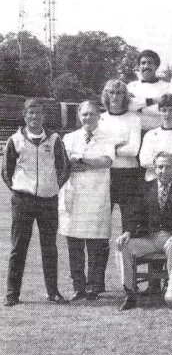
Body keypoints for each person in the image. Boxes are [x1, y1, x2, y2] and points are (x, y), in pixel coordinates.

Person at [2, 98, 70, 306]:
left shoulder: (55, 138)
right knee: (18, 248)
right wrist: (19, 189)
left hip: (48, 201)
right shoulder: (15, 140)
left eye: (38, 113)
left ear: (44, 116)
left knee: (49, 248)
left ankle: (52, 291)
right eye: (30, 113)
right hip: (23, 201)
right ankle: (12, 294)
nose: (34, 117)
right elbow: (6, 172)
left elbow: (64, 168)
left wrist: (52, 187)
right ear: (24, 115)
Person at [114, 152, 172, 311]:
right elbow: (135, 213)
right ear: (155, 168)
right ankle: (130, 293)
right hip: (148, 238)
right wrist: (127, 232)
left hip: (171, 237)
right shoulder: (145, 187)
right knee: (123, 246)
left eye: (168, 167)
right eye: (160, 167)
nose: (163, 171)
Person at [59, 101, 115, 301]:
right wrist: (91, 162)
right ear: (79, 116)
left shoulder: (107, 138)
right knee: (74, 244)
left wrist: (81, 159)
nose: (88, 118)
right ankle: (78, 287)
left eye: (92, 114)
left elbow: (106, 161)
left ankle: (94, 286)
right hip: (74, 196)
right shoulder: (69, 138)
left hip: (97, 196)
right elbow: (64, 164)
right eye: (84, 115)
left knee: (96, 245)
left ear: (99, 115)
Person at [99, 79, 143, 233]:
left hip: (129, 175)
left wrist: (109, 146)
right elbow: (97, 148)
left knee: (129, 225)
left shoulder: (134, 118)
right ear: (106, 95)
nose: (115, 96)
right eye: (111, 92)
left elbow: (133, 150)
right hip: (105, 174)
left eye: (119, 93)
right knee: (102, 224)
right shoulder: (100, 119)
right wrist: (118, 144)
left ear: (125, 96)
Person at [127, 49, 170, 132]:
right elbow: (127, 106)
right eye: (143, 63)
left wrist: (139, 108)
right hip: (134, 132)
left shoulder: (166, 87)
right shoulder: (131, 86)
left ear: (156, 66)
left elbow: (164, 110)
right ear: (139, 66)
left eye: (150, 63)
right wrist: (154, 101)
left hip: (158, 132)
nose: (146, 66)